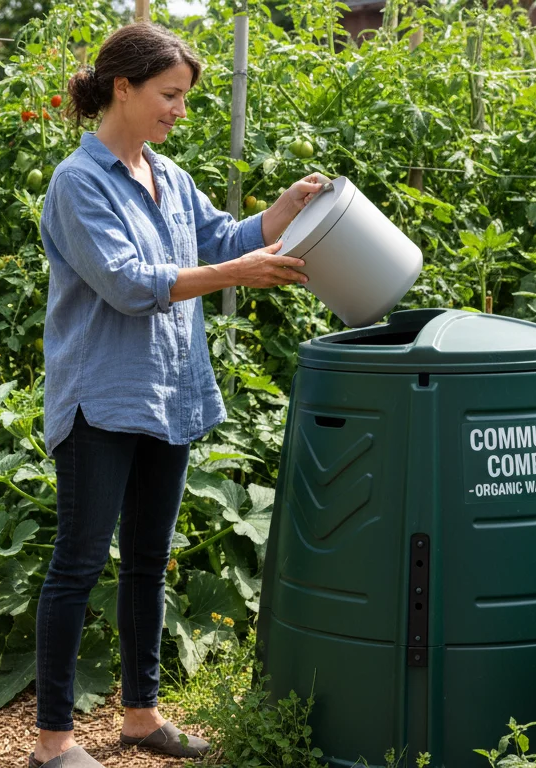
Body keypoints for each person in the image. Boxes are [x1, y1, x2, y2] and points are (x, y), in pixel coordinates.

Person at [31, 23, 326, 768]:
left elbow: (220, 239)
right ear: (122, 88)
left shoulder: (167, 174)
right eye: (170, 95)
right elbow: (130, 285)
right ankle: (53, 742)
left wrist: (280, 214)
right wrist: (240, 272)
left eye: (184, 98)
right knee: (78, 562)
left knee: (147, 562)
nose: (179, 110)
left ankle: (141, 717)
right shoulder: (79, 181)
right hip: (101, 398)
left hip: (168, 392)